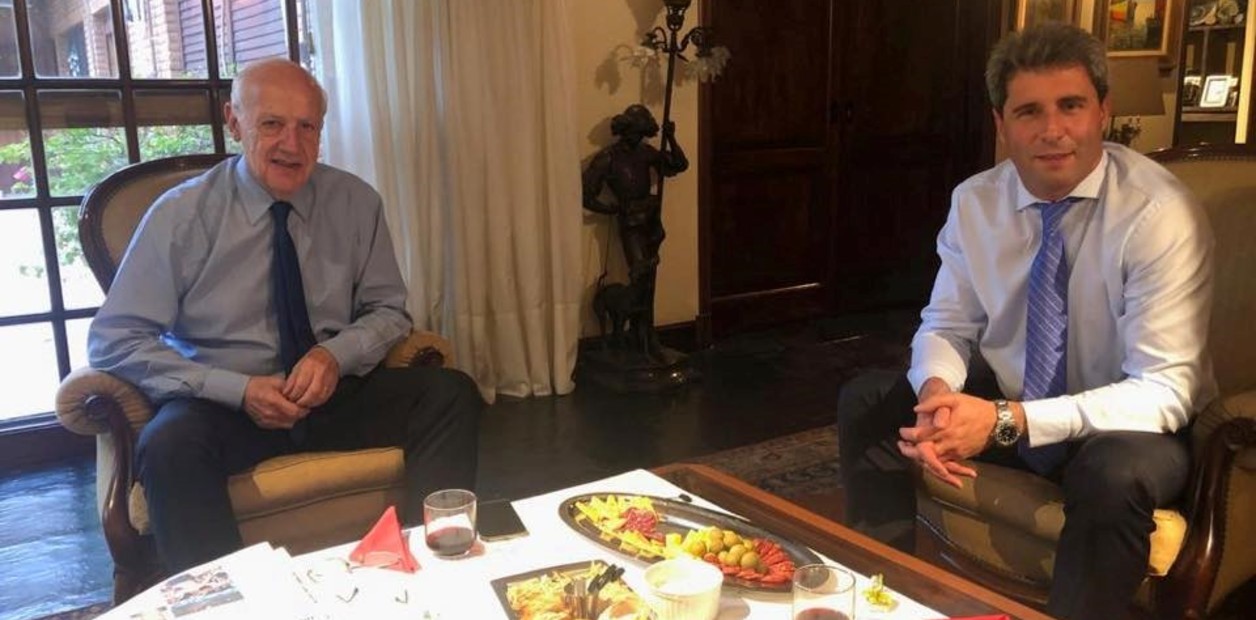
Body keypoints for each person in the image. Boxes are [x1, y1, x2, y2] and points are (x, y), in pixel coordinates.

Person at [835, 23, 1215, 620]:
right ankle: (883, 599)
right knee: (868, 401)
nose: (1052, 130)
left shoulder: (1159, 215)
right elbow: (947, 322)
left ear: (1104, 111)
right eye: (1029, 111)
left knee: (1112, 473)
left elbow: (1164, 390)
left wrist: (1006, 421)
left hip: (1132, 425)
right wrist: (936, 394)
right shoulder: (976, 202)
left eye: (1071, 106)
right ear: (1001, 123)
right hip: (1019, 405)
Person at [88, 59, 483, 574]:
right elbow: (115, 339)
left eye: (307, 127)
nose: (291, 145)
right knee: (169, 446)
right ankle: (228, 600)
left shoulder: (356, 202)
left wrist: (332, 356)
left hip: (333, 392)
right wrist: (237, 390)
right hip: (225, 404)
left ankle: (424, 570)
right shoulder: (180, 215)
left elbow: (388, 311)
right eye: (272, 124)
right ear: (234, 122)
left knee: (450, 394)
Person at [582, 104, 688, 361]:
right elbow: (586, 193)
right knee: (640, 275)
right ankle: (641, 335)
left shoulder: (645, 153)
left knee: (650, 277)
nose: (637, 137)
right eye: (634, 131)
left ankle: (646, 334)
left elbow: (678, 165)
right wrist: (610, 209)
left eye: (640, 132)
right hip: (630, 223)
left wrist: (671, 137)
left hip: (651, 221)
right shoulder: (608, 158)